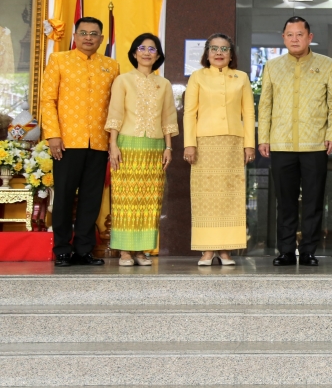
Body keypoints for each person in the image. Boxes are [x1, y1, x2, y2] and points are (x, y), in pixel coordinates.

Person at [258, 17, 332, 267]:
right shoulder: (272, 66)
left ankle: (308, 251)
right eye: (290, 35)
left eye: (299, 34)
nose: (295, 39)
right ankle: (285, 250)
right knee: (285, 201)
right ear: (283, 38)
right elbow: (265, 105)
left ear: (310, 37)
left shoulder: (327, 65)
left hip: (315, 143)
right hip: (281, 144)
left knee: (314, 201)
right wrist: (264, 137)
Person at [40, 16, 120, 267]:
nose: (88, 37)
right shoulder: (59, 60)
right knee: (63, 196)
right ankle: (62, 249)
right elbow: (48, 100)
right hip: (66, 141)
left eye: (94, 34)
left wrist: (112, 141)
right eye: (83, 33)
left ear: (101, 38)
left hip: (98, 142)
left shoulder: (111, 66)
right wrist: (53, 135)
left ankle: (84, 249)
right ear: (74, 36)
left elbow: (114, 107)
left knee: (91, 198)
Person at [105, 34, 178, 267]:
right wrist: (113, 145)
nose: (147, 52)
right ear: (135, 53)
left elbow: (168, 117)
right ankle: (125, 251)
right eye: (142, 48)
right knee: (126, 199)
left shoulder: (164, 84)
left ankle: (141, 251)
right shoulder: (123, 80)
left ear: (158, 55)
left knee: (150, 200)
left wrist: (168, 147)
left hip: (155, 147)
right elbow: (115, 114)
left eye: (152, 49)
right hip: (127, 144)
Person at [183, 33, 255, 266]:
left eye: (224, 49)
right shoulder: (197, 77)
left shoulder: (241, 77)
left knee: (230, 196)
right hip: (204, 142)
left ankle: (225, 250)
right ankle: (207, 249)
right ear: (206, 54)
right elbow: (189, 113)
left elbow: (249, 113)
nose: (219, 53)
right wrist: (189, 144)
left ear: (231, 54)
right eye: (214, 49)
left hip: (233, 142)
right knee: (205, 196)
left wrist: (249, 144)